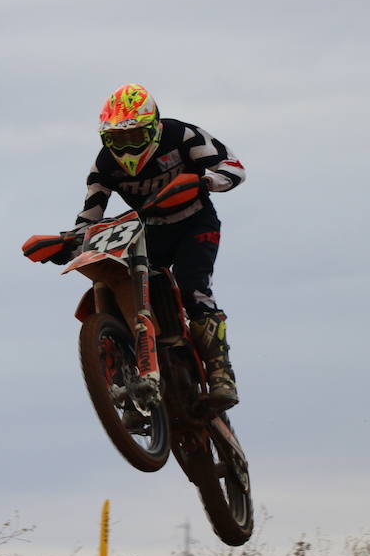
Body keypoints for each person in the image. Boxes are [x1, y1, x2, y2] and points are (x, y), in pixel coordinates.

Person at [57, 84, 247, 407]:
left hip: (194, 223)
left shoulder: (182, 136)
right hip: (148, 235)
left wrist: (207, 181)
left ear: (154, 127)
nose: (127, 147)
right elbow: (89, 215)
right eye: (117, 140)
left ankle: (220, 373)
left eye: (134, 137)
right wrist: (69, 243)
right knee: (109, 281)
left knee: (193, 288)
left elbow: (234, 168)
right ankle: (123, 373)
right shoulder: (103, 165)